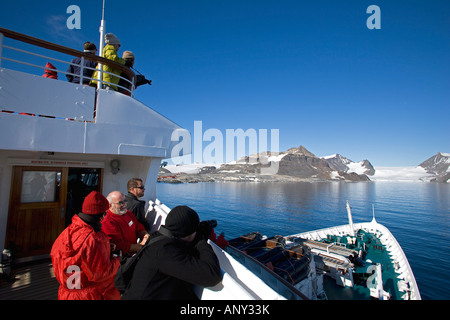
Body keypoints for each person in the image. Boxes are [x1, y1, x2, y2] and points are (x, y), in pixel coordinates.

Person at [121, 206, 223, 300]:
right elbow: (212, 276)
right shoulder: (165, 252)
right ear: (188, 233)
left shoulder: (157, 238)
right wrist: (202, 241)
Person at [50, 191, 121, 300]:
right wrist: (117, 260)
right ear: (102, 215)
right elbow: (100, 274)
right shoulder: (94, 239)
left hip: (67, 293)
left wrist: (106, 248)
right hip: (90, 295)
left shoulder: (67, 232)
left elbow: (76, 257)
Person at [102, 191, 149, 256]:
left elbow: (138, 227)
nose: (124, 204)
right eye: (120, 203)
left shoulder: (128, 214)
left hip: (135, 252)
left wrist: (145, 235)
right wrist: (140, 246)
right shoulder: (108, 222)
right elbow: (119, 245)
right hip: (124, 258)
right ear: (110, 205)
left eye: (125, 201)